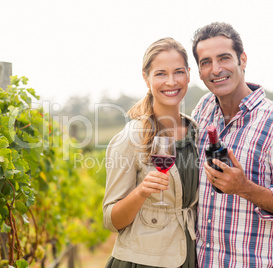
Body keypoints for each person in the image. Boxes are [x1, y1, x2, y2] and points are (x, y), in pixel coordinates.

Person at [190, 22, 273, 267]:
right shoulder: (203, 109)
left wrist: (245, 188)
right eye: (206, 62)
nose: (216, 69)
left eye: (224, 58)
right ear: (200, 71)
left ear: (242, 60)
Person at [103, 37, 199, 267]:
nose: (171, 81)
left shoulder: (198, 133)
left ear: (188, 74)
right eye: (160, 74)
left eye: (178, 72)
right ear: (146, 78)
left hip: (189, 256)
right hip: (142, 262)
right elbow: (111, 220)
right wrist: (141, 192)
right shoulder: (130, 137)